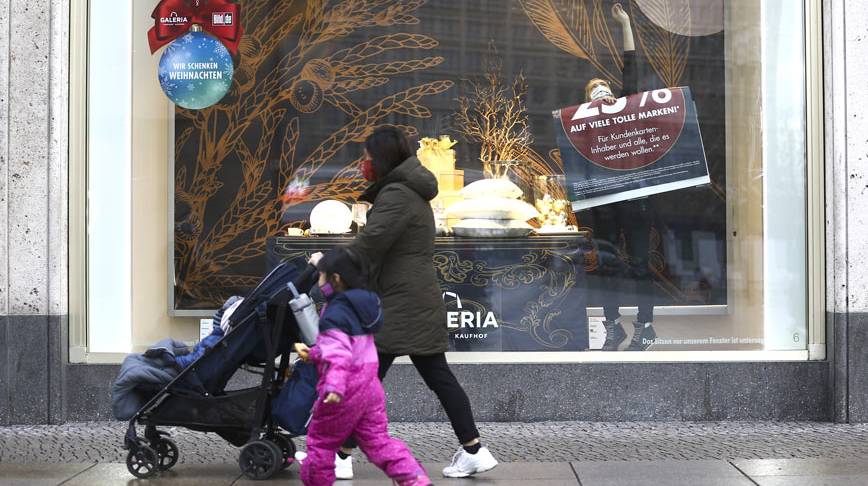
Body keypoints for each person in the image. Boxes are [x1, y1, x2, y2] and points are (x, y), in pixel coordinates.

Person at [311, 126, 498, 479]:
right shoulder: (410, 191)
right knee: (435, 376)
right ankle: (474, 450)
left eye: (367, 159)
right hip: (414, 299)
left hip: (399, 304)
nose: (363, 165)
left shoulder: (397, 195)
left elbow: (371, 244)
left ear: (380, 160)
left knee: (363, 379)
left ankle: (341, 454)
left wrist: (328, 263)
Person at [294, 247, 432, 486]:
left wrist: (333, 388)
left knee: (321, 442)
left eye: (322, 275)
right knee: (379, 442)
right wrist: (315, 353)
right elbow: (349, 348)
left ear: (335, 279)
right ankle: (417, 480)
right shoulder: (364, 306)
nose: (319, 280)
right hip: (370, 389)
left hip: (344, 391)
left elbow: (338, 355)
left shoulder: (335, 312)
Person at [582, 3, 658, 351]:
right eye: (594, 91)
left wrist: (625, 24)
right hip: (606, 206)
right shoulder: (583, 133)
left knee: (641, 267)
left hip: (637, 201)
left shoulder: (626, 113)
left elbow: (632, 71)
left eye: (604, 88)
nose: (601, 92)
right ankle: (613, 327)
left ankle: (645, 326)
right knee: (609, 269)